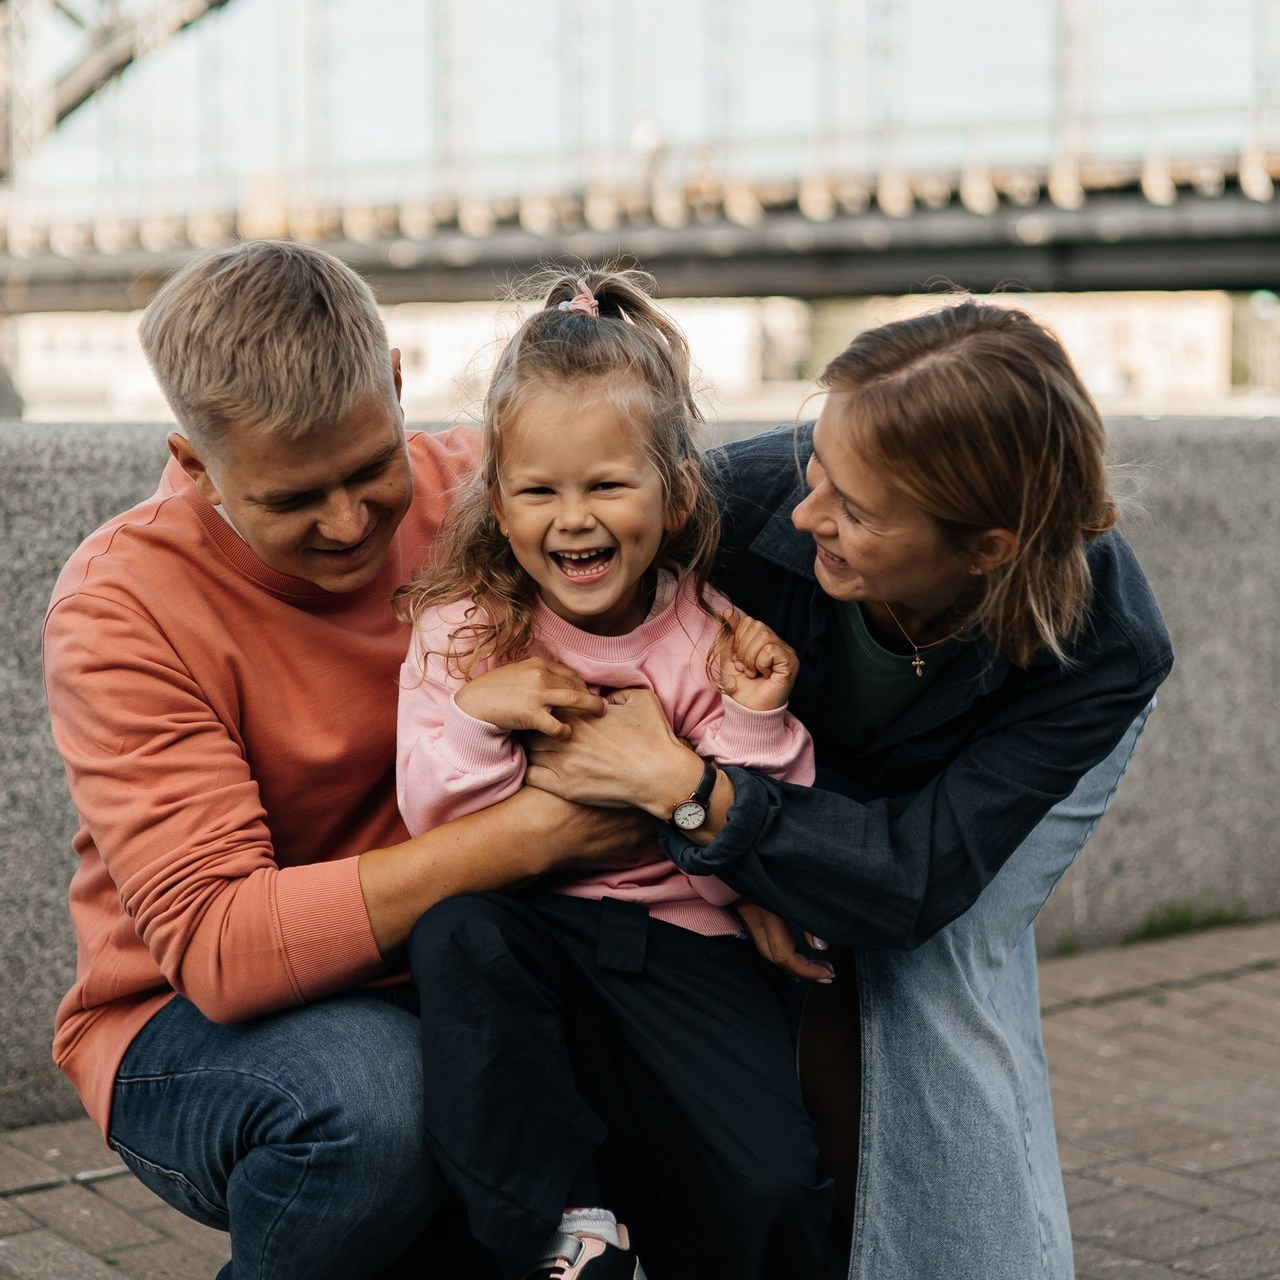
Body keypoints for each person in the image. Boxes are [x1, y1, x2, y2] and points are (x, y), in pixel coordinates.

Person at [519, 300, 1174, 1280]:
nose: (803, 512)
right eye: (814, 462)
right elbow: (543, 578)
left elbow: (910, 880)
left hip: (977, 758)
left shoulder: (1099, 643)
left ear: (987, 545)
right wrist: (741, 863)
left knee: (930, 971)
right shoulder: (739, 505)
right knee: (806, 957)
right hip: (762, 762)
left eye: (852, 510)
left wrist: (699, 797)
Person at [41, 240, 654, 1280]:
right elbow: (224, 946)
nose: (349, 521)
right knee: (377, 1102)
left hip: (453, 972)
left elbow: (698, 489)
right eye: (290, 499)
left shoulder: (482, 493)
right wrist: (530, 834)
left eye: (371, 466)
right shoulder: (121, 606)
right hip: (187, 1028)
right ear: (195, 466)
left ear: (398, 383)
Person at [395, 271, 831, 1280]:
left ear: (674, 493)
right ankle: (563, 1228)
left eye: (605, 485)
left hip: (684, 949)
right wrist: (475, 718)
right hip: (532, 929)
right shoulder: (462, 635)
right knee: (455, 936)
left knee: (767, 1185)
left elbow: (763, 836)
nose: (572, 518)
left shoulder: (713, 637)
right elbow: (433, 816)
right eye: (538, 490)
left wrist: (755, 720)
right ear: (497, 506)